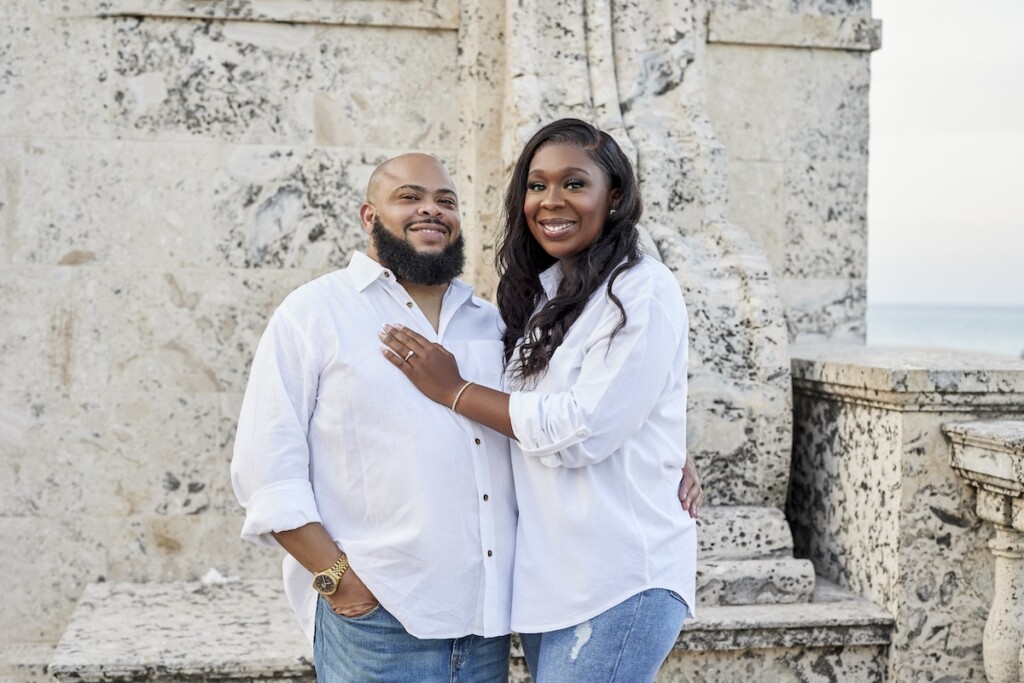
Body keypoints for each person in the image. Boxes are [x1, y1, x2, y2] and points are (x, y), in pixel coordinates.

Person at [379, 118, 698, 682]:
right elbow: (576, 410)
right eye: (536, 185)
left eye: (575, 184)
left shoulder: (642, 288)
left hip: (618, 579)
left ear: (615, 195)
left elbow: (585, 427)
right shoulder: (541, 300)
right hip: (548, 584)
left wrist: (454, 390)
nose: (552, 200)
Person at [231, 153, 518, 682]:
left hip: (486, 626)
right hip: (380, 624)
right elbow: (265, 469)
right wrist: (341, 582)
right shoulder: (314, 313)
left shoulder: (489, 322)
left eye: (445, 200)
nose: (431, 209)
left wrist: (664, 453)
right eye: (409, 197)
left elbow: (550, 420)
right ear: (369, 216)